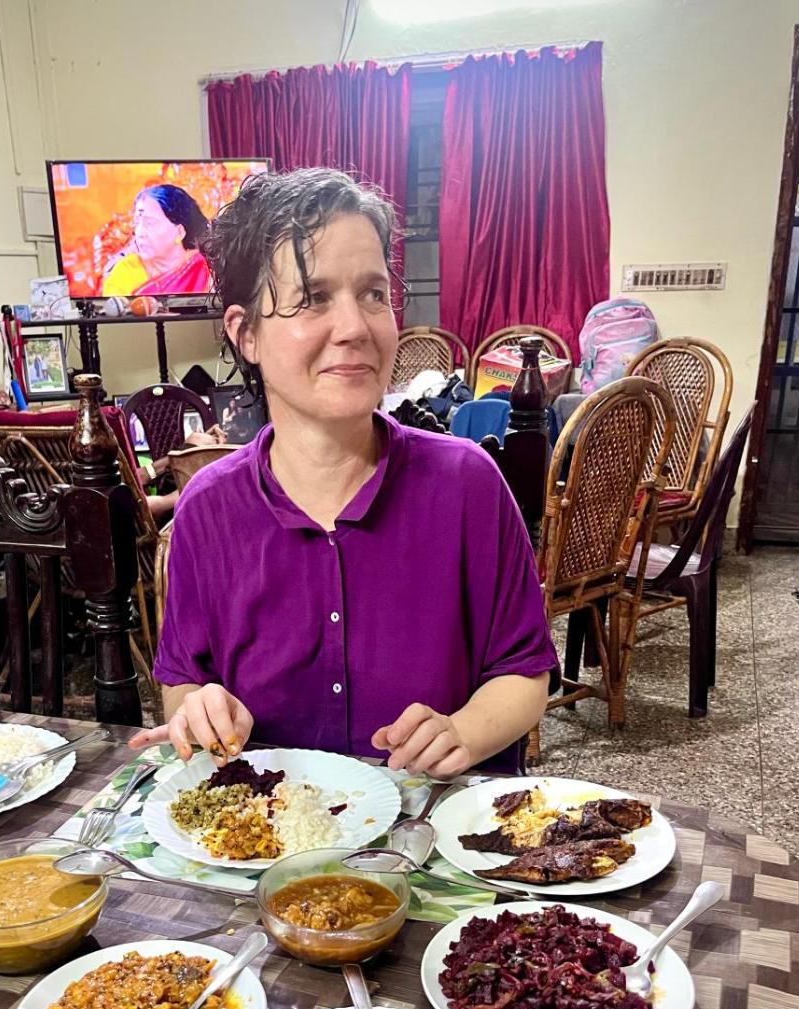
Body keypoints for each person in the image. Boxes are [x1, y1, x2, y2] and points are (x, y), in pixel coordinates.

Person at [130, 169, 557, 777]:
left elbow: (524, 670)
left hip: (436, 823)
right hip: (271, 824)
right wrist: (201, 711)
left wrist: (463, 732)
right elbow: (183, 684)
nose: (356, 327)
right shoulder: (208, 507)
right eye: (313, 298)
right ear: (246, 334)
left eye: (374, 294)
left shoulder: (468, 485)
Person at [101, 185, 210, 298]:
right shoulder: (125, 272)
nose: (140, 233)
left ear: (179, 232)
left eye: (150, 223)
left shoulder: (205, 268)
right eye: (137, 222)